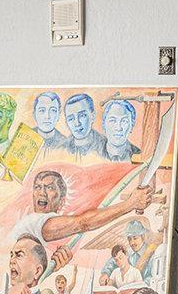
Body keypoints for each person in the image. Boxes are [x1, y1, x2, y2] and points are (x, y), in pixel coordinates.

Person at [12, 166, 167, 274]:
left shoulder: (39, 236)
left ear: (62, 200)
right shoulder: (34, 221)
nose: (42, 193)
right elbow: (83, 223)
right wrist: (130, 203)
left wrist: (52, 267)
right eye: (38, 187)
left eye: (49, 188)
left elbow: (28, 278)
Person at [47, 93, 107, 159]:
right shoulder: (60, 149)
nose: (77, 123)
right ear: (66, 122)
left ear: (93, 116)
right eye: (71, 119)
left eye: (82, 116)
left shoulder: (106, 146)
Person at [101, 97, 142, 162]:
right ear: (103, 124)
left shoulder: (140, 155)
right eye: (113, 120)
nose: (118, 128)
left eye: (124, 121)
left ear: (132, 126)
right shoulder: (93, 153)